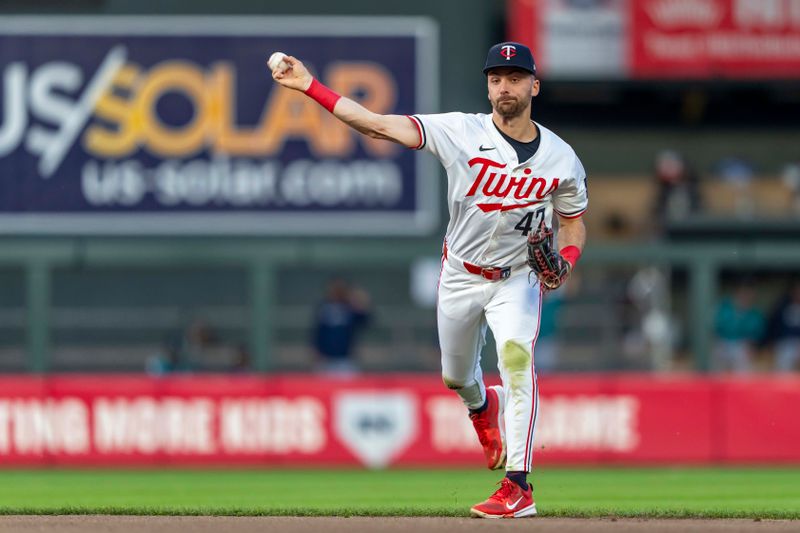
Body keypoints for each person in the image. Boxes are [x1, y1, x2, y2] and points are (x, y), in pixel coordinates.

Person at [269, 41, 587, 518]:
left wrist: (566, 258)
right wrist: (310, 86)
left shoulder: (561, 158)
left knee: (517, 359)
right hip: (460, 274)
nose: (505, 86)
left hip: (516, 278)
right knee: (456, 375)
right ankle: (482, 408)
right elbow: (375, 124)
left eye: (516, 77)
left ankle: (518, 486)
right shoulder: (460, 131)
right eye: (496, 78)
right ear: (488, 85)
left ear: (534, 85)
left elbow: (574, 220)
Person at [312, 278, 371, 375]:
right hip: (326, 359)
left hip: (346, 359)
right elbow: (318, 330)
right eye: (335, 288)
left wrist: (361, 302)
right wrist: (316, 350)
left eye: (340, 289)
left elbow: (365, 321)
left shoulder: (350, 307)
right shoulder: (324, 307)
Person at [713, 283, 765, 373]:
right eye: (743, 293)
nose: (745, 297)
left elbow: (758, 334)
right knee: (716, 361)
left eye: (749, 294)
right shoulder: (724, 308)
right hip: (722, 342)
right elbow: (715, 327)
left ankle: (742, 386)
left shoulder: (755, 314)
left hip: (742, 345)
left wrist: (753, 344)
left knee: (743, 357)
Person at [764, 281, 800, 372]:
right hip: (784, 343)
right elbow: (773, 328)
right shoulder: (781, 307)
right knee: (783, 359)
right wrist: (770, 343)